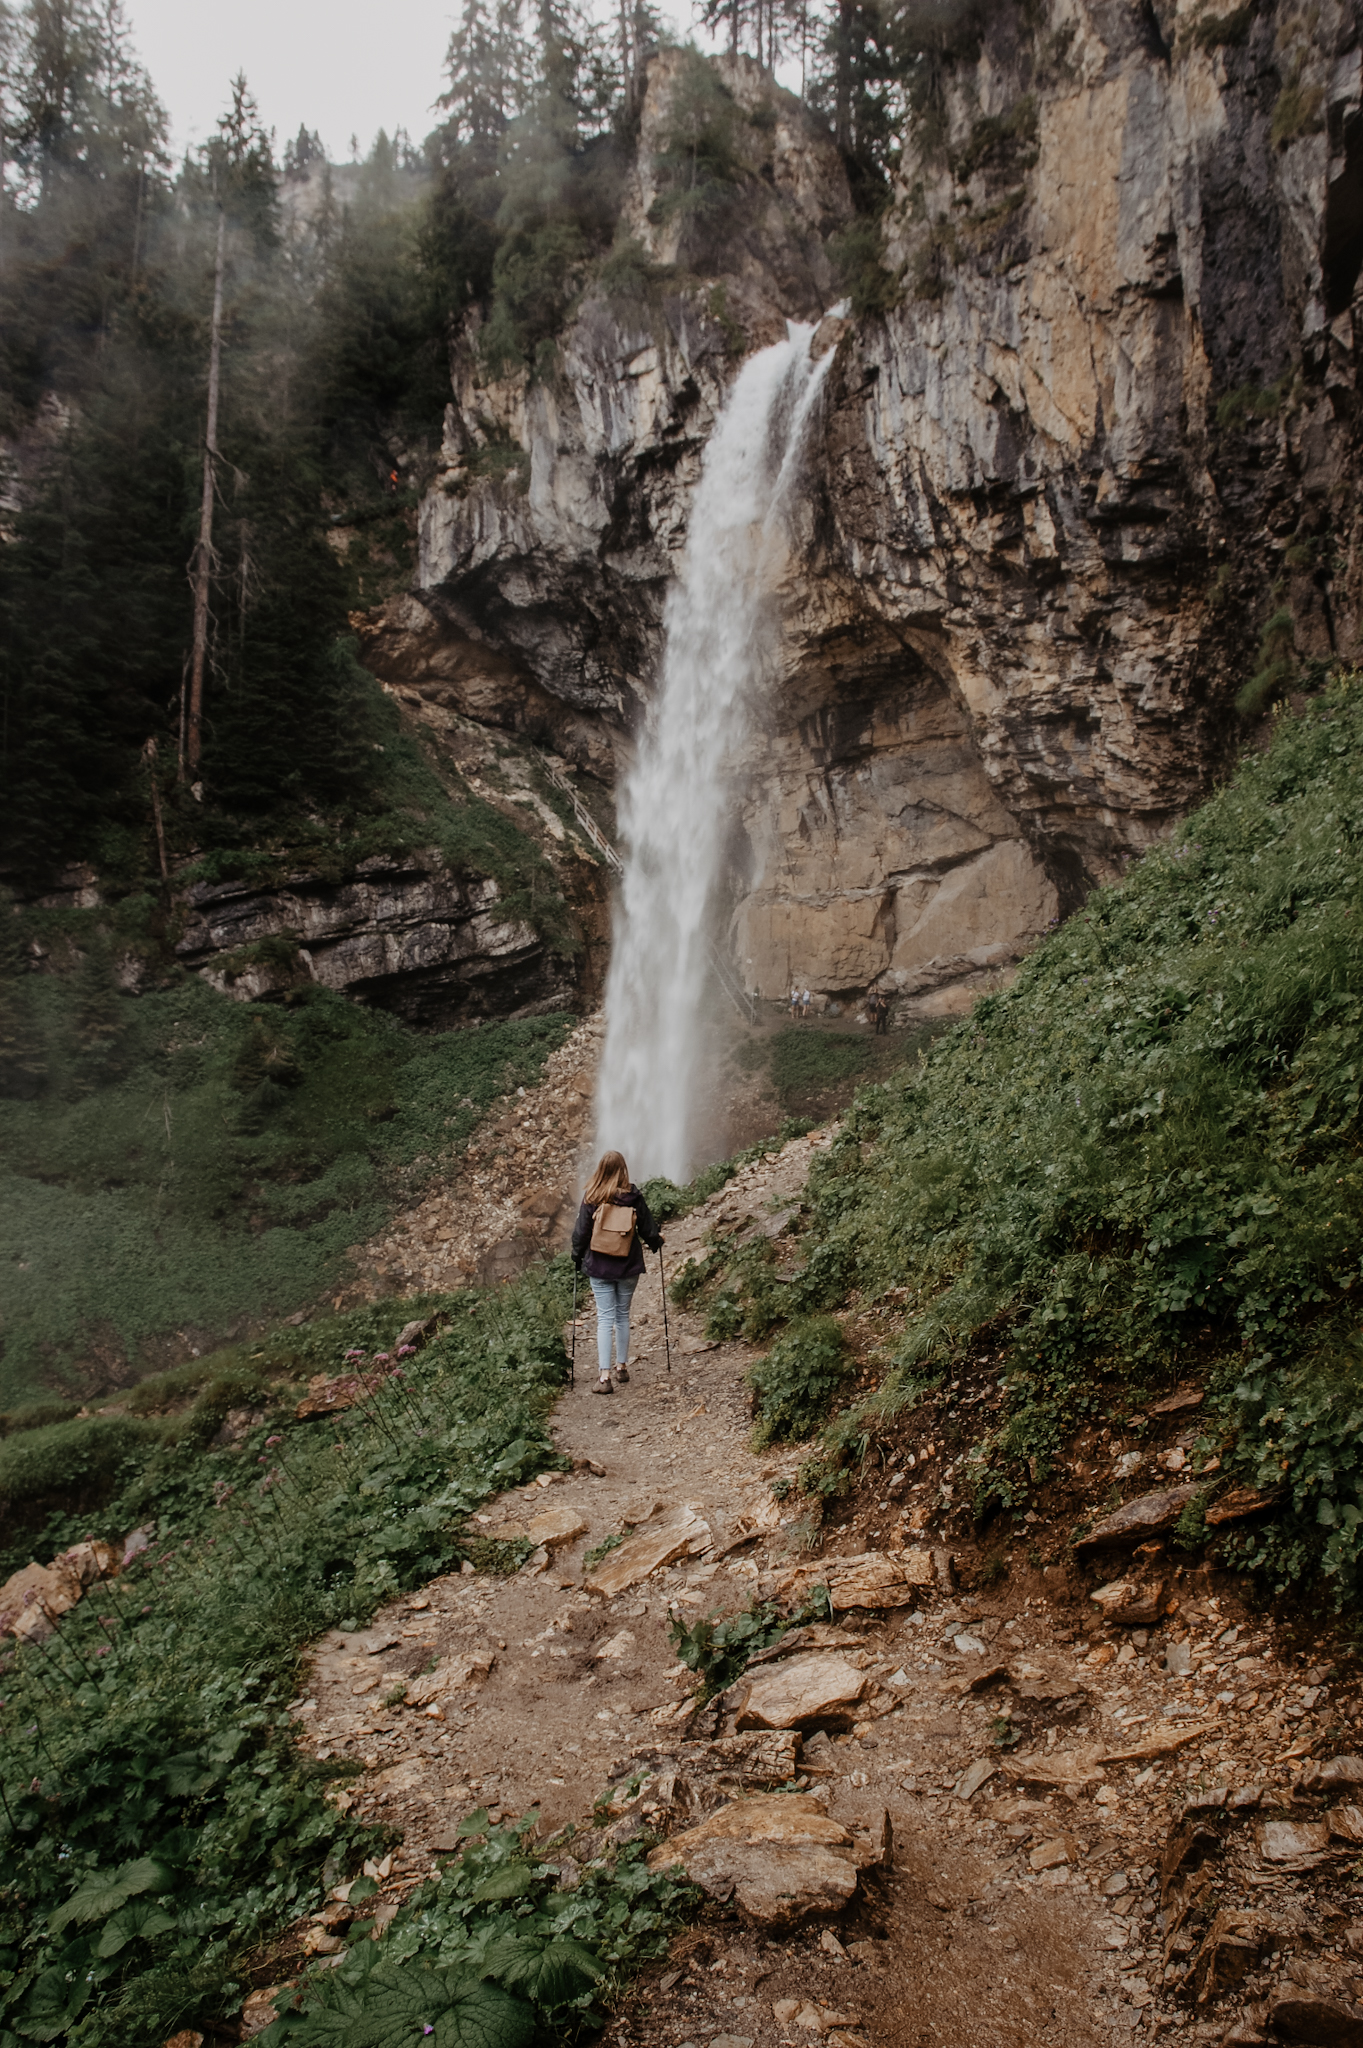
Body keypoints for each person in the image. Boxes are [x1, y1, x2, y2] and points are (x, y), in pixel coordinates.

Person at [570, 1150, 663, 1395]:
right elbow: (648, 1228)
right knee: (622, 1316)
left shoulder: (592, 1197)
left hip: (599, 1266)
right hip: (627, 1265)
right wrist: (656, 1243)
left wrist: (576, 1257)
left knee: (604, 1318)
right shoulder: (633, 1196)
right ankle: (621, 1367)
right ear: (623, 1169)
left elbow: (581, 1233)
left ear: (601, 1169)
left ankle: (604, 1377)